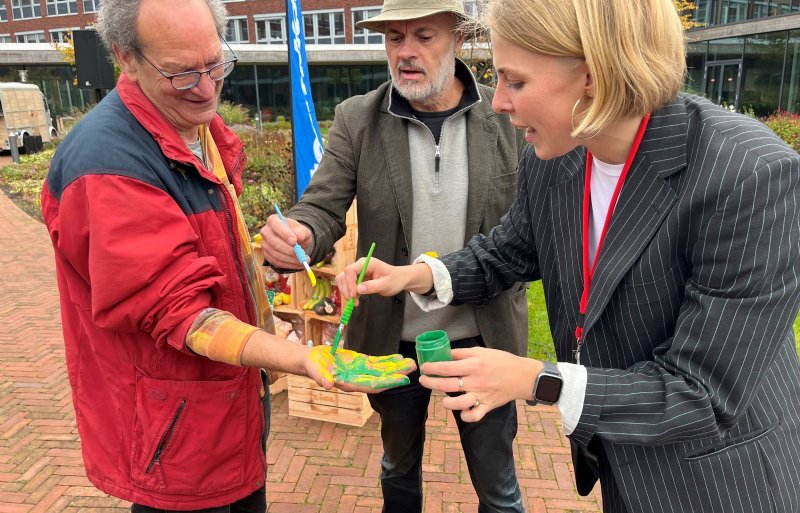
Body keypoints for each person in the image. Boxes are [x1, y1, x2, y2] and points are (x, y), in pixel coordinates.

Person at [336, 0, 800, 512]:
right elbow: (505, 252)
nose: (498, 104)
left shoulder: (749, 175)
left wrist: (534, 379)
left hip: (718, 482)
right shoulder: (558, 156)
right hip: (619, 462)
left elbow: (705, 392)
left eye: (515, 82)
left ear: (594, 78)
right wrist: (415, 275)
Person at [40, 1, 414, 512]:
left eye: (216, 64)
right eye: (182, 73)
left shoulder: (194, 127)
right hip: (173, 435)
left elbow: (209, 258)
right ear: (125, 58)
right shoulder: (107, 165)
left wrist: (268, 270)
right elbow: (181, 311)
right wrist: (302, 356)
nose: (206, 87)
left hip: (223, 407)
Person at [259, 1, 528, 511]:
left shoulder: (507, 117)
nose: (405, 52)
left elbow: (531, 229)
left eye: (423, 36)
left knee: (498, 484)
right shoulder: (358, 118)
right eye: (393, 38)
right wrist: (299, 233)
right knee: (397, 469)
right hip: (390, 341)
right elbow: (323, 208)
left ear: (458, 37)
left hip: (483, 337)